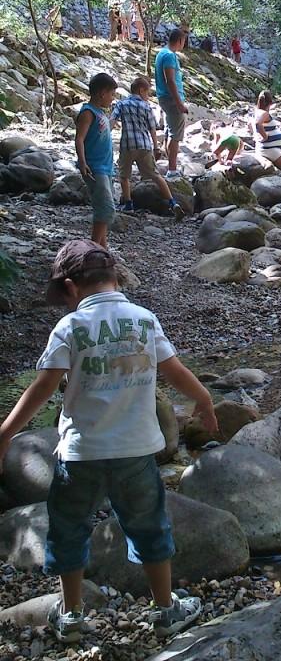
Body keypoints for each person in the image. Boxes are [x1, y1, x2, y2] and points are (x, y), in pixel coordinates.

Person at [0, 239, 218, 644]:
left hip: (81, 453)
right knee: (149, 527)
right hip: (136, 453)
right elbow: (174, 371)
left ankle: (71, 614)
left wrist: (5, 434)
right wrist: (204, 400)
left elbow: (43, 388)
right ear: (116, 277)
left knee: (69, 529)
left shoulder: (70, 327)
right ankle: (166, 609)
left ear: (70, 288)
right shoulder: (143, 319)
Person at [110, 77, 185, 220]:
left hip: (127, 145)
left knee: (124, 176)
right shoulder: (146, 106)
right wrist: (156, 147)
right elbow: (152, 128)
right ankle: (172, 202)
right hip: (144, 146)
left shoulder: (121, 104)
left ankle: (128, 204)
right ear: (141, 90)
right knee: (156, 175)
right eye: (148, 92)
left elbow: (112, 120)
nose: (148, 96)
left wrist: (105, 134)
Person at [75, 73, 117, 248]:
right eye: (111, 94)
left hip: (106, 167)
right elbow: (79, 138)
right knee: (106, 208)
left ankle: (103, 247)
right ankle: (93, 247)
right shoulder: (88, 112)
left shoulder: (100, 113)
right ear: (101, 93)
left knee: (102, 207)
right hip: (95, 167)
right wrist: (83, 162)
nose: (112, 98)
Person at [154, 29, 188, 179]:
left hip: (165, 98)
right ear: (180, 40)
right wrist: (179, 103)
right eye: (184, 41)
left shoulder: (162, 53)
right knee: (175, 134)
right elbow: (170, 80)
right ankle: (172, 169)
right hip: (172, 99)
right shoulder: (169, 56)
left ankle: (169, 165)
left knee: (169, 130)